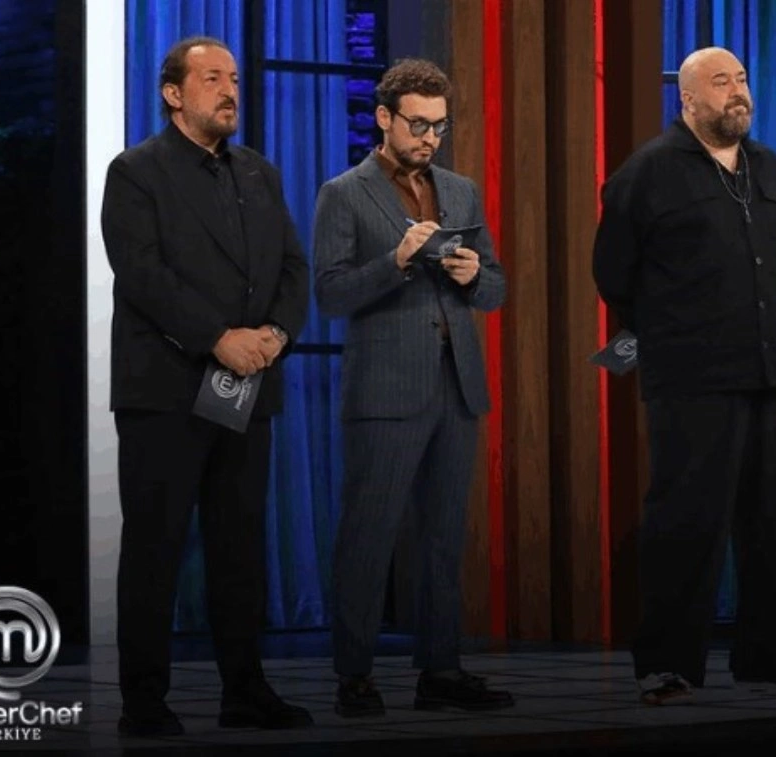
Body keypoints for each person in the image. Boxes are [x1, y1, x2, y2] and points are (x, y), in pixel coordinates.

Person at [592, 46, 776, 705]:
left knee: (771, 526)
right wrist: (668, 333)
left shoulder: (767, 166)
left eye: (742, 79)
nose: (738, 92)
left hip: (767, 370)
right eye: (721, 82)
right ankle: (666, 664)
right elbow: (613, 273)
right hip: (691, 376)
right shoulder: (647, 172)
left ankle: (766, 658)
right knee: (687, 522)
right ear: (689, 99)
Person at [101, 36, 313, 735]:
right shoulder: (136, 172)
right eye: (213, 78)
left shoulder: (259, 172)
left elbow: (292, 267)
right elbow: (143, 275)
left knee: (239, 546)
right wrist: (219, 337)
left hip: (248, 387)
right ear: (173, 93)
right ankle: (143, 701)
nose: (230, 91)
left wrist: (274, 334)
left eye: (235, 79)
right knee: (156, 548)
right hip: (166, 390)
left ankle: (244, 692)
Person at [312, 58, 512, 717]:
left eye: (439, 126)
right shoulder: (343, 194)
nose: (429, 138)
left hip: (457, 386)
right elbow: (330, 294)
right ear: (384, 118)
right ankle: (354, 675)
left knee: (444, 539)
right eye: (418, 125)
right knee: (368, 535)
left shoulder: (460, 190)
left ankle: (440, 670)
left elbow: (496, 288)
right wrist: (395, 261)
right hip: (385, 391)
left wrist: (473, 275)